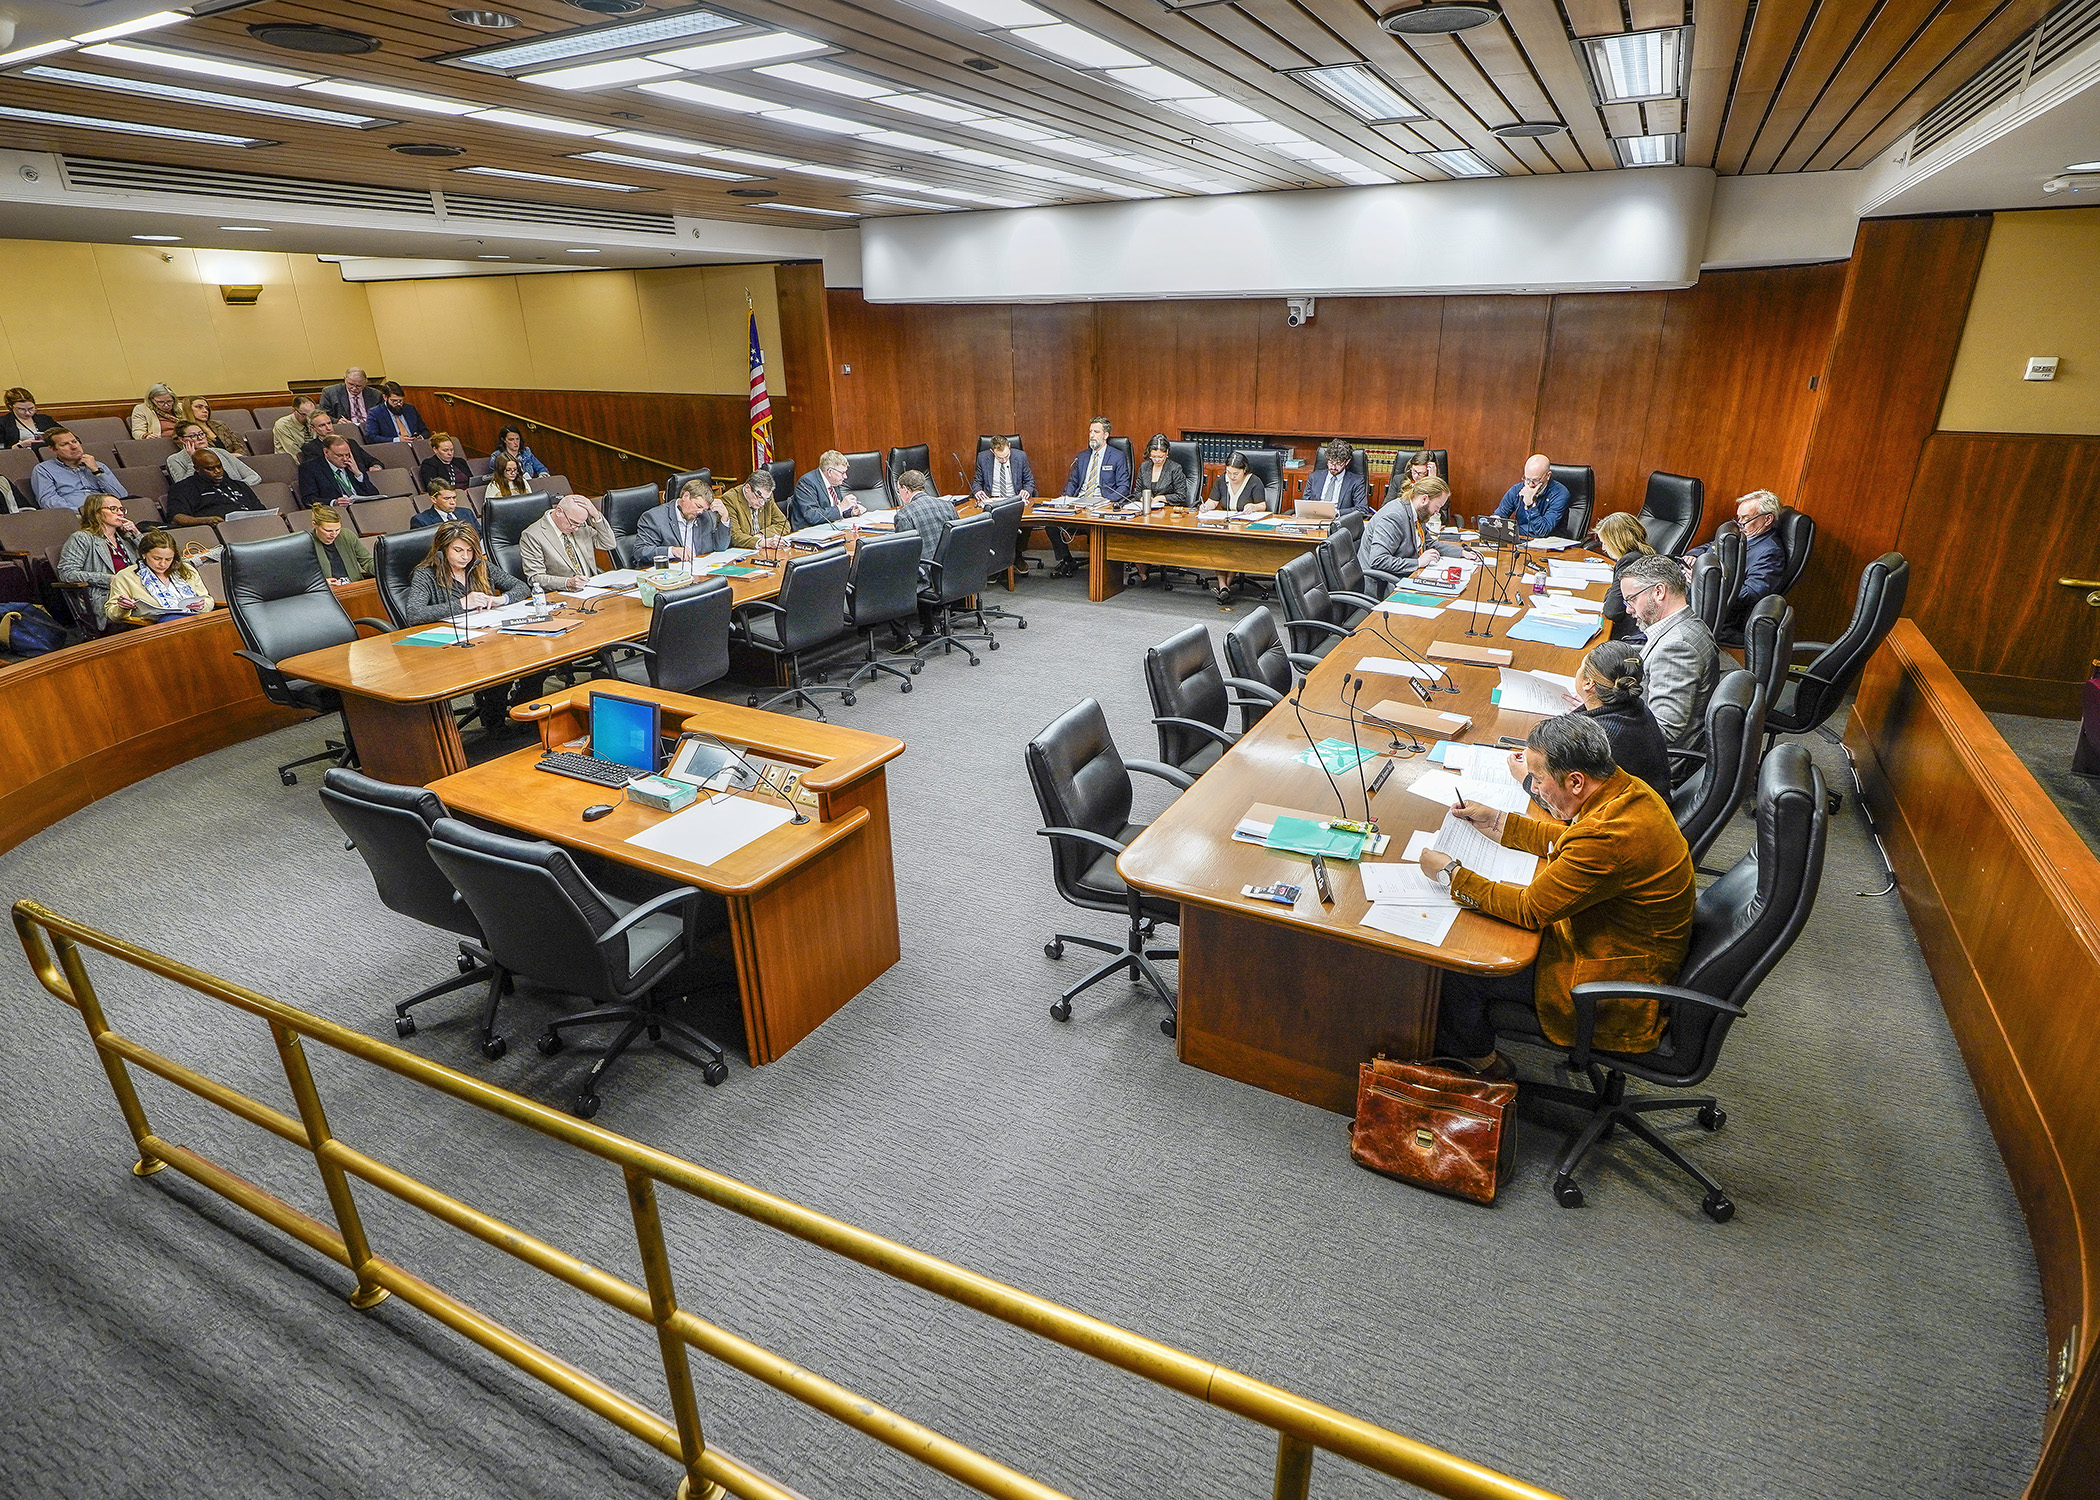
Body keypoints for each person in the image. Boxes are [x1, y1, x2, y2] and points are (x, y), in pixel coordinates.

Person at [1420, 713, 1694, 1077]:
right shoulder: (1625, 790)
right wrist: (1498, 822)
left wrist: (1451, 874)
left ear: (1576, 781)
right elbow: (1570, 841)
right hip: (1624, 946)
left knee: (1458, 965)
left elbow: (1530, 909)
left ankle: (1478, 1064)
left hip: (1611, 987)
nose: (1533, 788)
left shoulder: (1608, 838)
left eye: (1538, 778)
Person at [402, 520, 530, 731]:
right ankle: (494, 723)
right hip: (450, 647)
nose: (465, 556)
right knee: (498, 669)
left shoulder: (480, 566)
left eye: (470, 550)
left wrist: (501, 599)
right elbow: (414, 614)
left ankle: (525, 710)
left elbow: (520, 587)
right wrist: (462, 603)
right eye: (458, 550)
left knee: (531, 661)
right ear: (442, 551)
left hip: (487, 636)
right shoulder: (426, 574)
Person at [1621, 552, 1719, 756]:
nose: (1629, 610)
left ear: (1658, 592)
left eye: (1631, 600)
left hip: (1658, 762)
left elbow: (1663, 730)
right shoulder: (1688, 623)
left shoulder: (1676, 647)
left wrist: (1604, 716)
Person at [1565, 641, 1671, 801]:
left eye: (1581, 666)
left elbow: (1566, 799)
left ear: (1588, 683)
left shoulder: (1598, 739)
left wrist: (1526, 778)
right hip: (1650, 801)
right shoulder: (1635, 705)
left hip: (1631, 817)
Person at [1683, 490, 1789, 632]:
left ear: (1767, 519)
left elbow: (1751, 594)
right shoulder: (1742, 535)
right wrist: (1694, 556)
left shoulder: (1771, 552)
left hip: (1720, 616)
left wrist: (1705, 582)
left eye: (1746, 518)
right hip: (1695, 597)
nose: (1740, 524)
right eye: (1738, 518)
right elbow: (1711, 545)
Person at [1051, 417, 1128, 575]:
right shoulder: (1082, 456)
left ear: (1105, 435)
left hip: (1101, 505)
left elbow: (1123, 488)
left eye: (1096, 432)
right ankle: (1067, 559)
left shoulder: (1117, 456)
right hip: (1079, 504)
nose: (1092, 435)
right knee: (1051, 522)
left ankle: (1102, 567)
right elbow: (1073, 482)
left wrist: (1108, 501)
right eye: (1090, 431)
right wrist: (1065, 499)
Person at [57, 493, 143, 622]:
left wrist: (136, 534)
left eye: (121, 509)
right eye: (113, 509)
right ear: (96, 513)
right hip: (106, 595)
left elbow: (155, 556)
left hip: (135, 590)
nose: (120, 513)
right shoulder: (82, 538)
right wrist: (111, 579)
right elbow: (67, 573)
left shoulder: (125, 538)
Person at [106, 530, 215, 623]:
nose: (163, 564)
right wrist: (122, 608)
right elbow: (112, 613)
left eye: (168, 559)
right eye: (157, 559)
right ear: (143, 554)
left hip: (195, 618)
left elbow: (208, 600)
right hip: (156, 626)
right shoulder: (125, 576)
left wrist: (202, 605)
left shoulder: (186, 569)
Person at [1200, 453, 1269, 599]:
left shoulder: (1254, 481)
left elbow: (1262, 505)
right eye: (1229, 472)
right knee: (1218, 547)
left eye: (1235, 473)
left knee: (1234, 548)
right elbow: (1213, 501)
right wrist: (1206, 506)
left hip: (1244, 525)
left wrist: (1252, 507)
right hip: (1225, 524)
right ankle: (1223, 586)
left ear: (1244, 470)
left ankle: (1225, 586)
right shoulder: (1221, 481)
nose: (1231, 476)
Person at [1359, 476, 1453, 582]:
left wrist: (1462, 552)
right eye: (1437, 507)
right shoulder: (1394, 517)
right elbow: (1378, 560)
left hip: (1405, 574)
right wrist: (1418, 563)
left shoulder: (1417, 511)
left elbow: (1427, 543)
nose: (1437, 512)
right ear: (1424, 499)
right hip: (1382, 583)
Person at [521, 493, 616, 592]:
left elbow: (609, 543)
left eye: (580, 524)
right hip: (563, 593)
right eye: (573, 523)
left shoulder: (579, 525)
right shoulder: (533, 535)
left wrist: (596, 515)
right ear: (559, 511)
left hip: (593, 587)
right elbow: (535, 577)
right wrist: (568, 583)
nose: (575, 528)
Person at [1125, 434, 1186, 585]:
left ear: (1167, 453)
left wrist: (1162, 498)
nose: (1157, 460)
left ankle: (1148, 566)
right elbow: (1137, 491)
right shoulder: (1144, 467)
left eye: (1160, 457)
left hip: (1166, 514)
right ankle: (1141, 569)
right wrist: (1144, 498)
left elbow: (1181, 495)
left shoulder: (1174, 468)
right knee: (1130, 532)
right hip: (1145, 511)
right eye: (1154, 457)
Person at [31, 428, 129, 512]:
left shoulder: (98, 466)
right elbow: (49, 502)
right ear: (53, 450)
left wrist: (96, 471)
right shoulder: (44, 470)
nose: (73, 447)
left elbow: (122, 496)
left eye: (74, 442)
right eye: (65, 444)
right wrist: (84, 513)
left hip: (111, 513)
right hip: (76, 516)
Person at [1593, 510, 1655, 640]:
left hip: (1630, 634)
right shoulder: (1642, 555)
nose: (1603, 548)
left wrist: (1608, 598)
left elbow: (1612, 611)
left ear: (1616, 541)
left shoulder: (1629, 561)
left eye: (1605, 543)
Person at [638, 478, 731, 564]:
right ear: (685, 496)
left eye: (704, 509)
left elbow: (720, 547)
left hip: (701, 569)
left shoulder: (706, 516)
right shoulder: (654, 517)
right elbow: (640, 552)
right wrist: (672, 551)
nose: (700, 512)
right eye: (698, 506)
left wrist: (725, 518)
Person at [167, 450, 263, 525]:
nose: (217, 471)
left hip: (253, 525)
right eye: (210, 468)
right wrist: (205, 521)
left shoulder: (239, 485)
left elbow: (260, 511)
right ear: (197, 469)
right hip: (216, 529)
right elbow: (177, 518)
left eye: (219, 467)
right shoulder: (183, 488)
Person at [1492, 454, 1569, 539]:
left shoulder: (1560, 494)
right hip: (1521, 540)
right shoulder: (1517, 489)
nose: (1530, 484)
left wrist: (1530, 505)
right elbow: (1500, 514)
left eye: (1535, 480)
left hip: (1548, 545)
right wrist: (1494, 522)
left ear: (1548, 475)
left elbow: (1542, 531)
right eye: (1527, 479)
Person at [789, 450, 867, 530]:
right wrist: (841, 507)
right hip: (811, 532)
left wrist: (850, 512)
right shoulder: (806, 483)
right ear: (830, 472)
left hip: (830, 529)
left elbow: (832, 510)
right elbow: (813, 516)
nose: (845, 476)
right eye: (842, 473)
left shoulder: (834, 482)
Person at [165, 421, 261, 486]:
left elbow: (254, 477)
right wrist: (193, 460)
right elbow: (184, 487)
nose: (200, 438)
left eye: (201, 433)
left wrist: (235, 487)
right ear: (182, 439)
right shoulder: (174, 459)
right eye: (193, 435)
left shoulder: (221, 452)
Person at [1295, 439, 1369, 523]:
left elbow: (1362, 510)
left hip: (1339, 522)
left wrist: (1337, 513)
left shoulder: (1356, 481)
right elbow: (1305, 504)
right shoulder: (1314, 477)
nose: (1333, 467)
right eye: (1330, 462)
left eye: (1338, 463)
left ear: (1347, 462)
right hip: (1314, 520)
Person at [892, 469, 955, 564]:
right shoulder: (948, 505)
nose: (899, 494)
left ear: (905, 489)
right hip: (952, 566)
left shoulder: (903, 515)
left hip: (925, 572)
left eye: (898, 490)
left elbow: (904, 554)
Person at [298, 436, 381, 507]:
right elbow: (308, 499)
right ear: (326, 452)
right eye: (339, 455)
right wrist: (333, 503)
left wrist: (358, 474)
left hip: (362, 509)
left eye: (347, 454)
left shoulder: (355, 465)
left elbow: (374, 494)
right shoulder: (310, 468)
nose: (345, 459)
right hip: (335, 512)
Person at [297, 412, 384, 478]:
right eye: (322, 425)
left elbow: (372, 461)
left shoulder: (350, 443)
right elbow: (317, 474)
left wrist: (376, 467)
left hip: (362, 482)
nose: (328, 428)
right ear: (313, 428)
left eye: (329, 423)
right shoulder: (310, 448)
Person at [725, 469, 791, 550]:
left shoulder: (767, 497)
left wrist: (761, 535)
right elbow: (735, 536)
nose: (762, 503)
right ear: (747, 488)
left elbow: (784, 524)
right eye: (759, 497)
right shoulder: (730, 499)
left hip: (763, 551)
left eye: (765, 499)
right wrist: (762, 542)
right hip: (743, 551)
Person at [309, 505, 373, 584]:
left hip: (355, 585)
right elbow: (301, 577)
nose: (334, 534)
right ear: (314, 525)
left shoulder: (346, 535)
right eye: (328, 531)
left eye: (337, 529)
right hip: (328, 591)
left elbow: (367, 561)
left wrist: (384, 569)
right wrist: (322, 582)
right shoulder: (306, 544)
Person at [971, 436, 1034, 505]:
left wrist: (1026, 490)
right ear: (992, 451)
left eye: (1007, 456)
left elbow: (1029, 481)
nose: (1004, 460)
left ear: (1009, 446)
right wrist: (978, 491)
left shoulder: (1020, 456)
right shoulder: (983, 458)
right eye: (1000, 458)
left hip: (1014, 499)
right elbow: (977, 482)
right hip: (991, 500)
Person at [363, 382, 429, 443]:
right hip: (394, 449)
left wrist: (421, 437)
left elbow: (425, 431)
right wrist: (397, 440)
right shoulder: (375, 413)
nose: (399, 404)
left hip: (415, 446)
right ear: (385, 397)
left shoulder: (410, 409)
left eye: (401, 401)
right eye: (394, 401)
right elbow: (370, 437)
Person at [319, 367, 374, 433]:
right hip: (346, 430)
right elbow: (322, 415)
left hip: (370, 429)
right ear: (345, 379)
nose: (354, 388)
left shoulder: (375, 395)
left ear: (365, 383)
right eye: (350, 384)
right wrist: (337, 421)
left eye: (358, 386)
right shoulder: (330, 393)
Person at [411, 483, 480, 535]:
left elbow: (480, 535)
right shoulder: (421, 521)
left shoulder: (466, 513)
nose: (452, 502)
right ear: (434, 499)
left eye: (454, 498)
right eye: (446, 498)